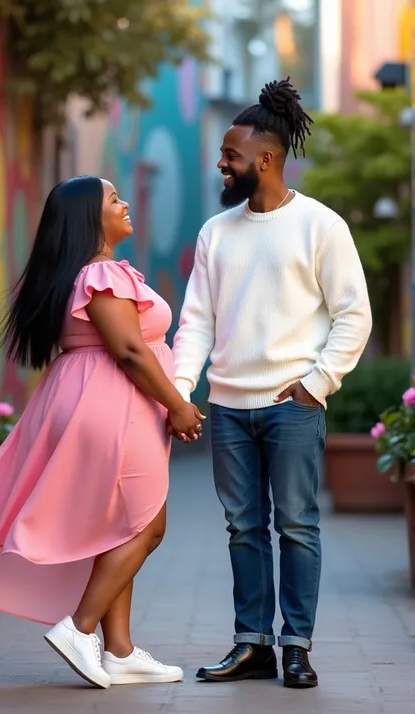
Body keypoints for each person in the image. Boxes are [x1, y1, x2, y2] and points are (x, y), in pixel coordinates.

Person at [0, 175, 204, 689]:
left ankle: (121, 651)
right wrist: (178, 405)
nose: (125, 204)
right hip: (115, 405)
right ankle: (80, 629)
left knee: (120, 526)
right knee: (147, 525)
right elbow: (129, 350)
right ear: (89, 218)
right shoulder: (103, 274)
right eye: (113, 199)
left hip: (90, 399)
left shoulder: (80, 275)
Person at [172, 78, 372, 688]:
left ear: (264, 159)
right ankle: (252, 643)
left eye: (230, 156)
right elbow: (197, 323)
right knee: (244, 529)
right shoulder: (215, 232)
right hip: (229, 408)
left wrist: (318, 383)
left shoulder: (322, 226)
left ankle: (296, 646)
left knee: (297, 526)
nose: (220, 164)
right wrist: (181, 392)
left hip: (292, 407)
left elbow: (353, 313)